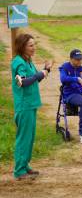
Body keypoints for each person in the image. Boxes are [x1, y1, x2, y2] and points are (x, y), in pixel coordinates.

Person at [11, 33, 53, 181]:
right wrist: (38, 74)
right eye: (30, 45)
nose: (33, 48)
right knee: (24, 138)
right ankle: (19, 170)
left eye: (34, 45)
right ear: (22, 47)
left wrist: (46, 70)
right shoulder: (18, 63)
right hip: (24, 105)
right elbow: (23, 82)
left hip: (32, 103)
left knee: (29, 138)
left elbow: (35, 79)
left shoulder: (27, 61)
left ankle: (25, 165)